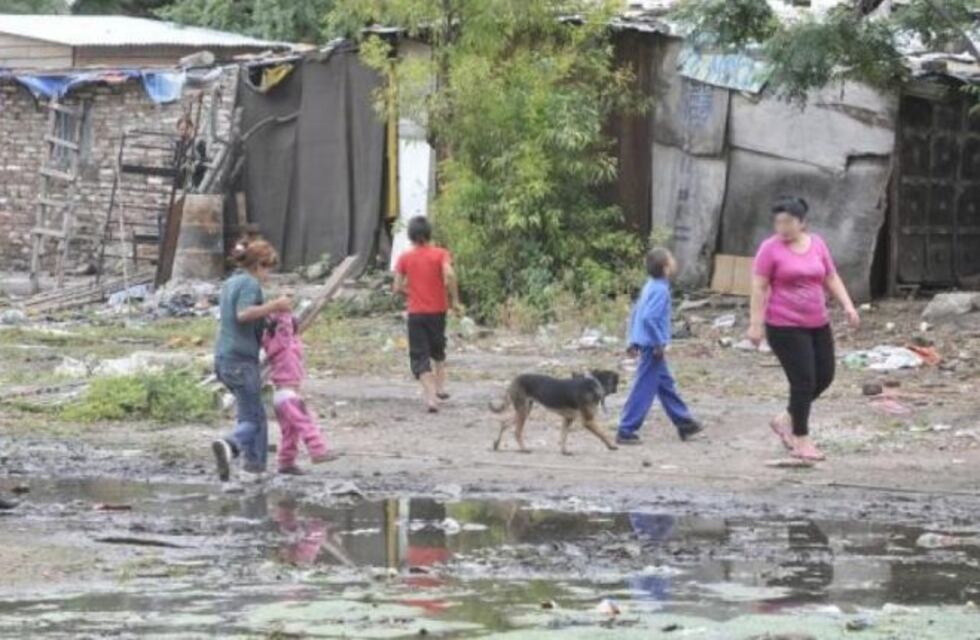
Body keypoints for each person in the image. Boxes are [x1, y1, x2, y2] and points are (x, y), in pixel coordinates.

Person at [748, 196, 860, 462]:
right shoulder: (770, 249)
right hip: (784, 325)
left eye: (788, 222)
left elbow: (831, 277)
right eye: (778, 222)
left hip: (817, 322)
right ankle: (801, 439)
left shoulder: (817, 244)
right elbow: (758, 287)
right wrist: (755, 324)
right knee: (803, 381)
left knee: (825, 376)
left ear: (802, 223)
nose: (782, 227)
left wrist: (848, 306)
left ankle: (785, 418)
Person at [211, 236, 291, 482]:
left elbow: (241, 318)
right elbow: (243, 314)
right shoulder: (249, 284)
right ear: (259, 265)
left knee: (252, 412)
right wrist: (275, 305)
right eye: (268, 269)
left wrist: (267, 320)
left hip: (224, 358)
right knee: (254, 419)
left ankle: (254, 467)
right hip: (240, 361)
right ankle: (231, 444)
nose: (269, 275)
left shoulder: (230, 283)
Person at [616, 248, 704, 445]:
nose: (674, 261)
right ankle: (626, 429)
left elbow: (636, 312)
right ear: (666, 268)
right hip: (652, 346)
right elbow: (648, 317)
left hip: (646, 342)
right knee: (644, 387)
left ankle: (684, 422)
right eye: (671, 259)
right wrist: (657, 343)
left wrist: (632, 339)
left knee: (665, 385)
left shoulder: (650, 285)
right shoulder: (660, 290)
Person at [393, 216, 463, 413]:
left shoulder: (405, 258)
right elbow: (449, 274)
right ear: (429, 234)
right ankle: (440, 387)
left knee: (419, 356)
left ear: (410, 236)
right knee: (438, 350)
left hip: (416, 313)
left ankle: (431, 398)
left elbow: (397, 287)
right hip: (438, 312)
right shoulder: (441, 254)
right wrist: (455, 300)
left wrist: (412, 291)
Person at [262, 310, 334, 475]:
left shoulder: (271, 342)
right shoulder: (284, 343)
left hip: (280, 395)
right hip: (288, 394)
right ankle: (317, 451)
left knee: (290, 432)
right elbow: (285, 329)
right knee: (304, 422)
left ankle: (286, 463)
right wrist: (282, 311)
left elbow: (281, 333)